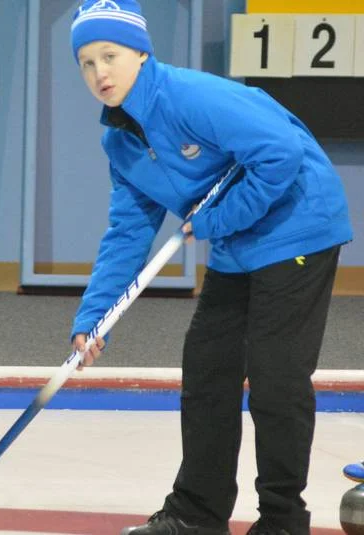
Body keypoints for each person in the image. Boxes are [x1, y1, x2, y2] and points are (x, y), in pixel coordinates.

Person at [67, 1, 353, 534]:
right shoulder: (119, 139)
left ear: (141, 54)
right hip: (237, 243)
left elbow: (283, 154)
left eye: (110, 55)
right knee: (207, 372)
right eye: (86, 62)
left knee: (275, 379)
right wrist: (94, 317)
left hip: (299, 227)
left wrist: (221, 219)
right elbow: (129, 231)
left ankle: (283, 521)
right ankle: (196, 515)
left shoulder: (192, 96)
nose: (99, 72)